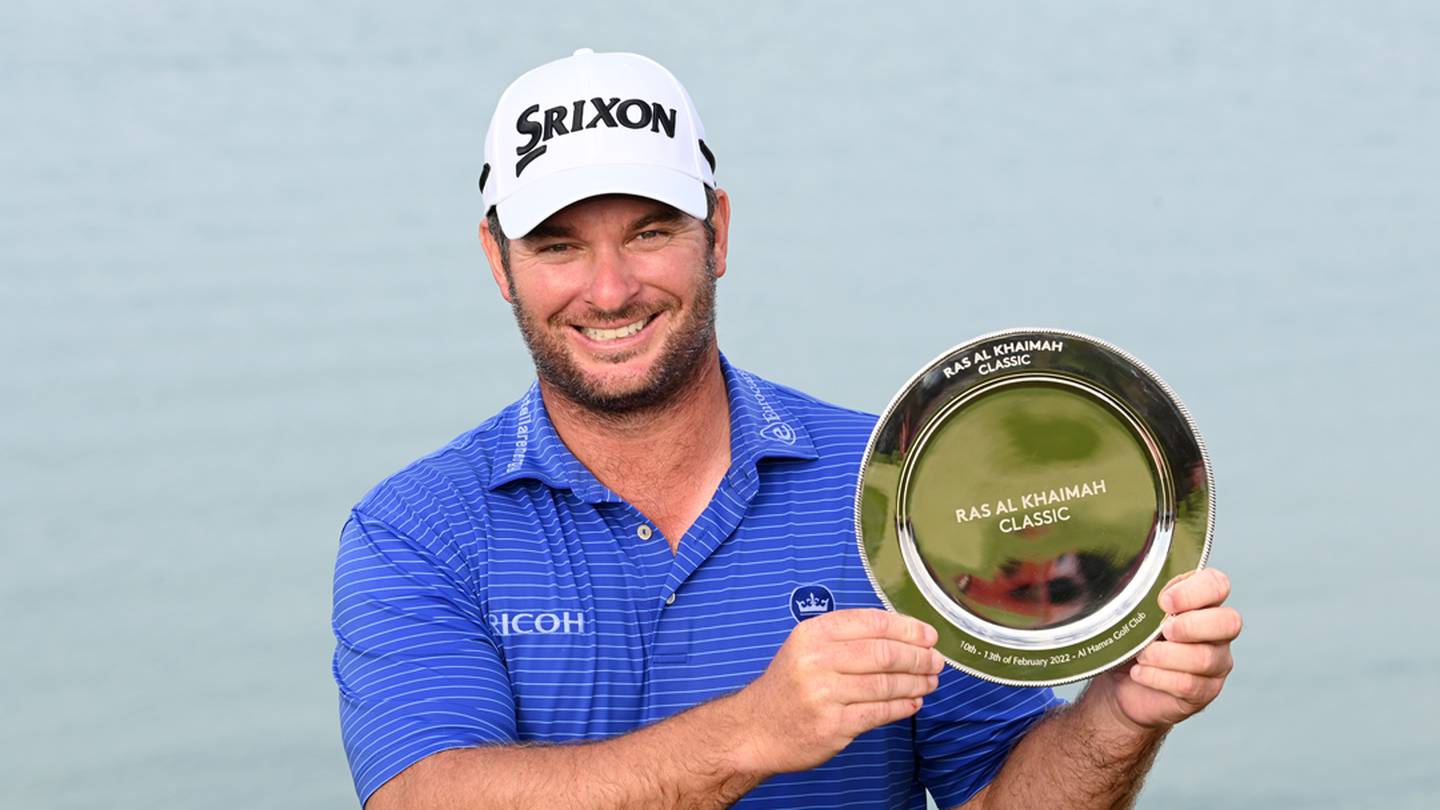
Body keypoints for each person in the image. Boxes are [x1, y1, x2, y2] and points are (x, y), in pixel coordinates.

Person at [330, 49, 1242, 809]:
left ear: (718, 233)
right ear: (497, 261)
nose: (609, 290)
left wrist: (1117, 718)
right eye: (558, 245)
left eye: (650, 233)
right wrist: (753, 731)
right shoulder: (418, 529)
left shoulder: (894, 488)